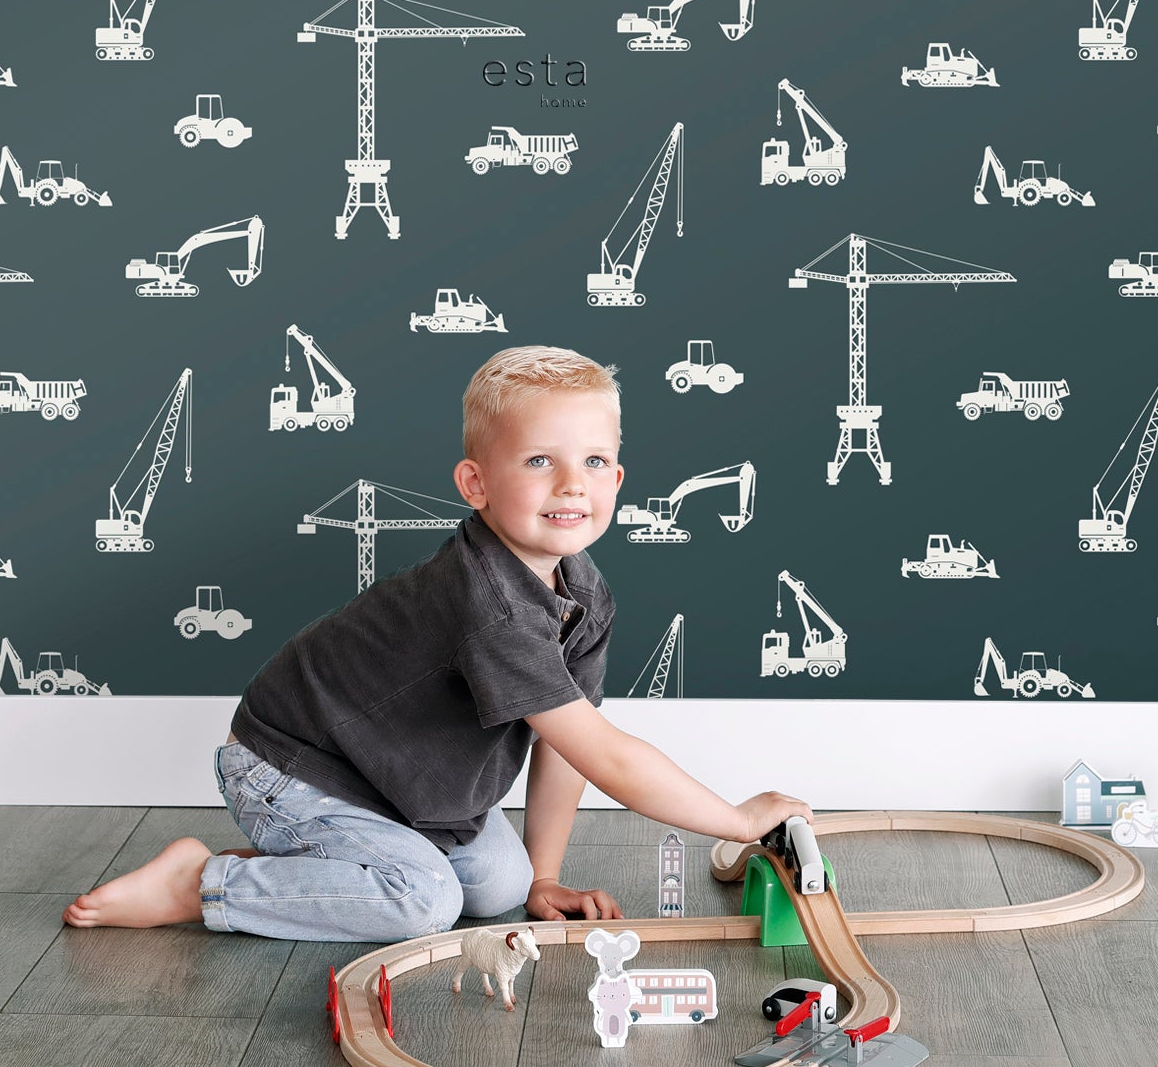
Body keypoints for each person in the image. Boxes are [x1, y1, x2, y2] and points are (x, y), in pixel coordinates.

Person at [63, 345, 813, 938]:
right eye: (539, 461)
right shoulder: (492, 607)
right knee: (424, 900)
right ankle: (200, 885)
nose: (571, 485)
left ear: (617, 478)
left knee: (500, 887)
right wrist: (737, 820)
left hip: (393, 780)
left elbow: (572, 747)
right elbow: (613, 760)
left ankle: (314, 861)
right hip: (294, 766)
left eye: (591, 462)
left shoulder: (582, 593)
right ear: (475, 484)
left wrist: (544, 877)